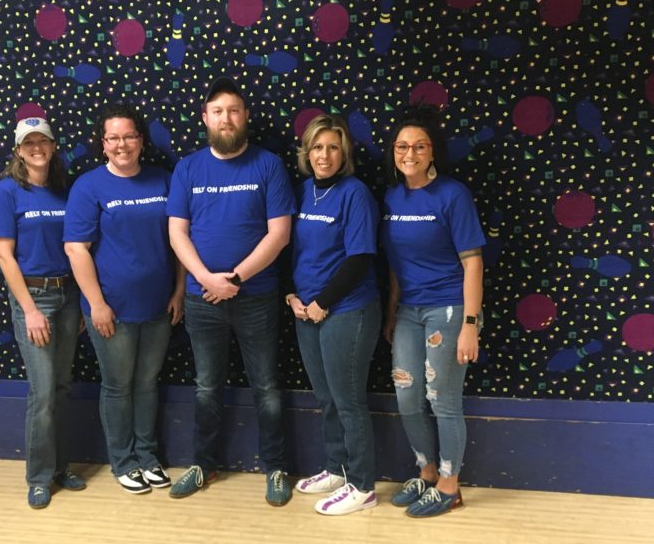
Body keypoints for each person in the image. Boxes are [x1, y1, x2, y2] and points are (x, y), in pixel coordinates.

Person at [166, 77, 296, 506]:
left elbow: (278, 234)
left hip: (255, 298)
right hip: (203, 300)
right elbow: (177, 232)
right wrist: (207, 279)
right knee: (206, 387)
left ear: (246, 117)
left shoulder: (269, 165)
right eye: (218, 111)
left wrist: (234, 279)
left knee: (266, 386)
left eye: (234, 110)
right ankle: (204, 464)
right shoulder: (187, 168)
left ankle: (276, 467)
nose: (226, 118)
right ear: (205, 118)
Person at [64, 103, 185, 494]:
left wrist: (180, 290)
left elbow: (181, 238)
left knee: (147, 384)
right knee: (117, 386)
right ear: (103, 144)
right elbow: (76, 249)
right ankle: (123, 461)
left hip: (158, 306)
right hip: (111, 310)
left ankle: (147, 457)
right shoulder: (89, 186)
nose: (122, 144)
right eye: (113, 137)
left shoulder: (163, 180)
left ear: (141, 140)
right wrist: (96, 304)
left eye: (129, 136)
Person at [381, 104, 485, 518]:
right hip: (408, 310)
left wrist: (471, 325)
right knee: (407, 397)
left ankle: (449, 483)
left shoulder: (453, 195)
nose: (410, 154)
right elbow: (393, 264)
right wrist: (391, 313)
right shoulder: (391, 197)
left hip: (449, 310)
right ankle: (424, 472)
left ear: (432, 152)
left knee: (442, 399)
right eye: (402, 146)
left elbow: (473, 262)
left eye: (419, 146)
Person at [0, 117, 86, 509]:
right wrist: (29, 311)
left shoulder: (66, 191)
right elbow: (3, 255)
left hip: (67, 296)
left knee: (62, 388)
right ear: (18, 150)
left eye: (41, 140)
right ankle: (40, 477)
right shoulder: (7, 192)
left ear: (52, 145)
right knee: (43, 392)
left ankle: (61, 467)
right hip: (34, 299)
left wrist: (80, 302)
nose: (36, 148)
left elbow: (78, 249)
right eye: (28, 142)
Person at [286, 114, 381, 516]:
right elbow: (294, 250)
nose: (324, 155)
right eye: (317, 147)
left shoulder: (355, 193)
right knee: (325, 398)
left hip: (346, 309)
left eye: (333, 147)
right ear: (307, 152)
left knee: (348, 400)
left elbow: (359, 257)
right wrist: (291, 295)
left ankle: (362, 485)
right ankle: (337, 469)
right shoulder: (304, 191)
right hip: (306, 310)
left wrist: (323, 301)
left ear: (344, 154)